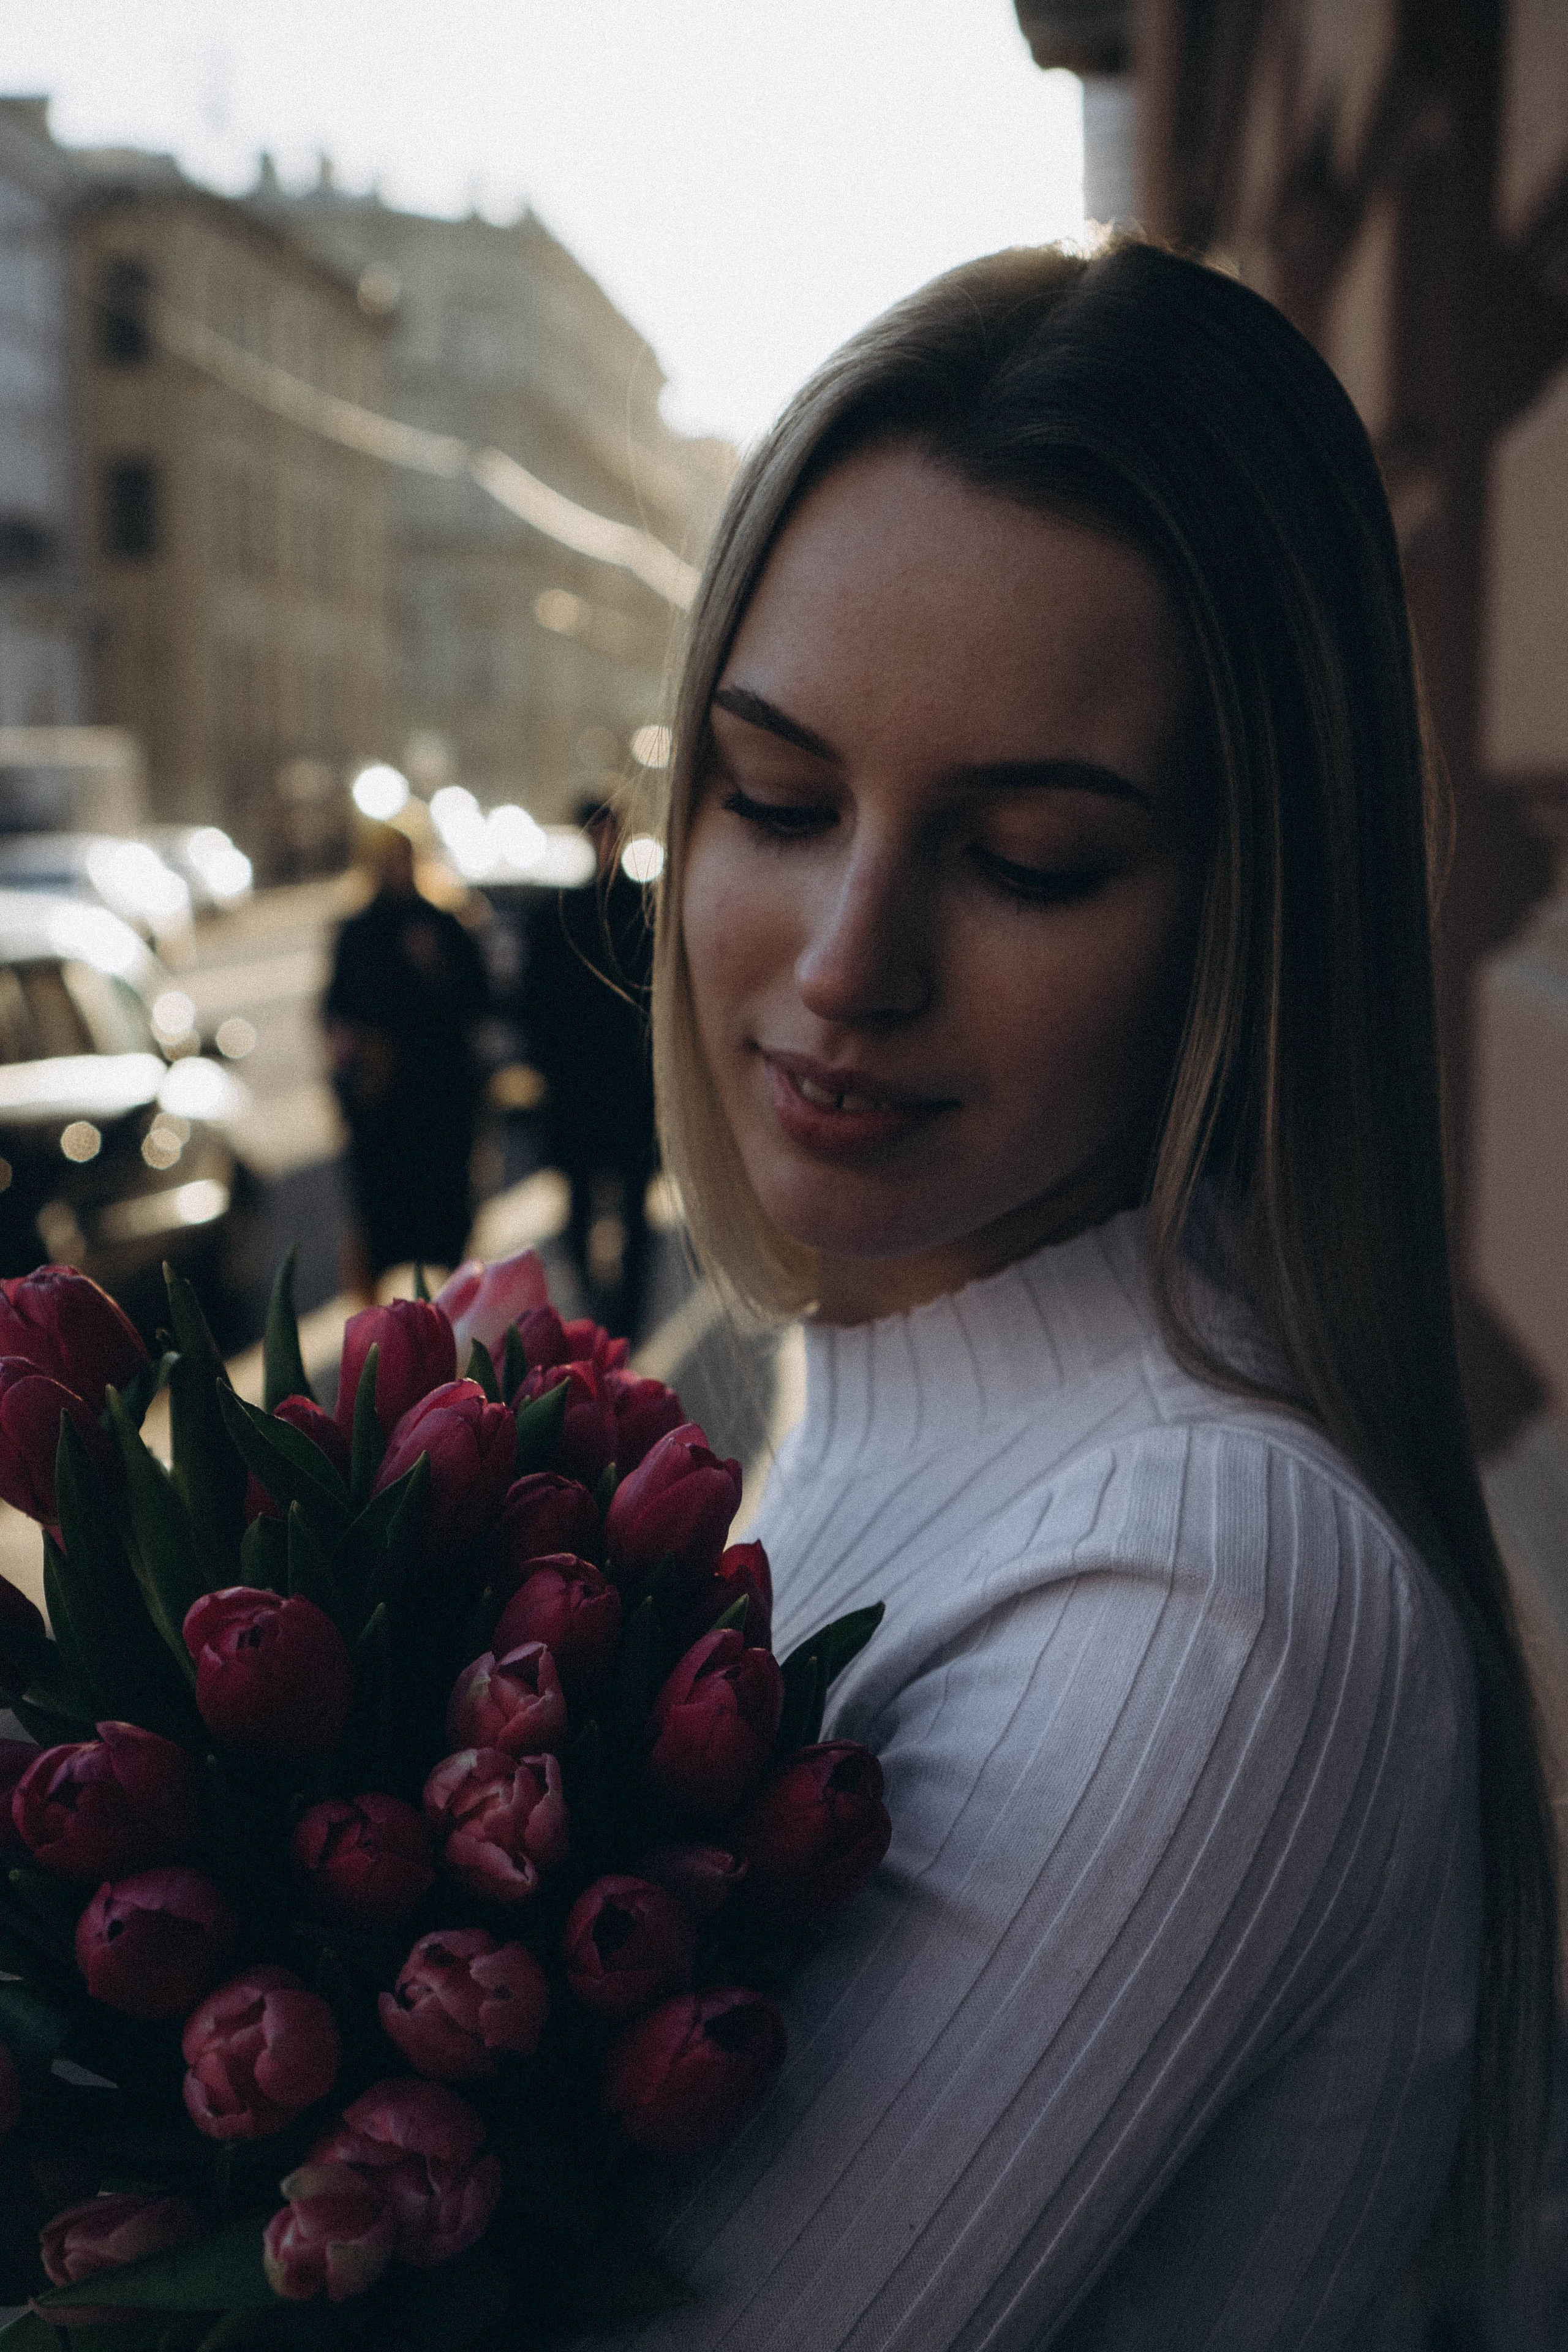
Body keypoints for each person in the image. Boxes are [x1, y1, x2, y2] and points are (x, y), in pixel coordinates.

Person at [597, 241, 1558, 2349]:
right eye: (773, 797)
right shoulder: (901, 1378)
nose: (848, 961)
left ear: (1255, 912)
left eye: (1028, 856)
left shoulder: (1199, 1580)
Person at [322, 825, 491, 1296]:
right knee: (382, 1210)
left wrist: (435, 966)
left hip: (441, 1093)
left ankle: (456, 1301)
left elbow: (478, 998)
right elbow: (337, 1008)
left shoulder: (444, 921)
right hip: (382, 1098)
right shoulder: (357, 930)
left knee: (446, 1208)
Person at [519, 797, 658, 1342]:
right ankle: (595, 1300)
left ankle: (626, 1315)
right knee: (578, 1199)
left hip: (629, 1081)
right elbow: (535, 1001)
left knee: (633, 1205)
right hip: (578, 1081)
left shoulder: (645, 906)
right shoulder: (559, 913)